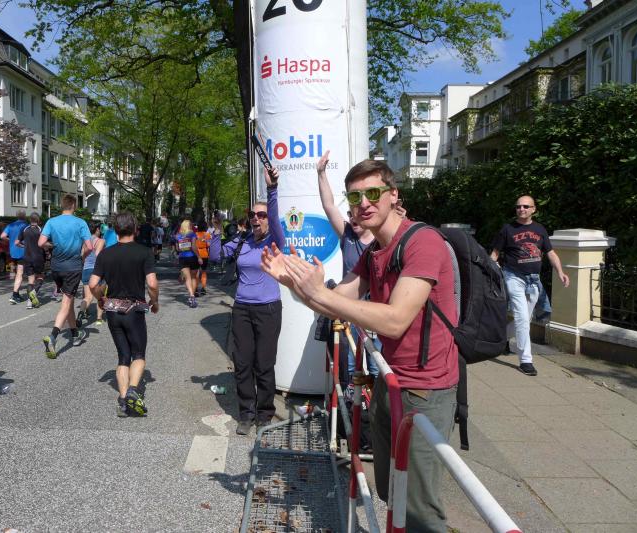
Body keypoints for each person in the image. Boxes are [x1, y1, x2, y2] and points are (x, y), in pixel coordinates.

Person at [262, 157, 458, 531]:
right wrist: (296, 284)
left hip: (426, 390)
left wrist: (320, 291)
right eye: (355, 197)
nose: (363, 203)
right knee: (389, 487)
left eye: (373, 193)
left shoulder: (423, 242)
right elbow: (335, 303)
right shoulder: (373, 251)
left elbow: (396, 321)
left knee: (419, 508)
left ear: (393, 195)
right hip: (390, 381)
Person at [224, 167, 285, 436]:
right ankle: (246, 413)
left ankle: (264, 413)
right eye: (252, 215)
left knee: (264, 363)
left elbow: (274, 216)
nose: (256, 219)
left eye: (261, 215)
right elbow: (215, 255)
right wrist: (214, 233)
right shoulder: (244, 241)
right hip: (242, 308)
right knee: (242, 362)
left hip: (268, 309)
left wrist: (272, 190)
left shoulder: (275, 241)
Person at [316, 150, 379, 390]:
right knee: (351, 363)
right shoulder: (347, 236)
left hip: (375, 308)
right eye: (349, 215)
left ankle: (374, 403)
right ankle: (353, 401)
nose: (353, 218)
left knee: (376, 363)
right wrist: (321, 173)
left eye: (356, 215)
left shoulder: (380, 238)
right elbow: (329, 205)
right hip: (350, 307)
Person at [89, 212, 159, 417]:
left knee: (123, 356)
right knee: (138, 354)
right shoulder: (144, 252)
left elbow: (93, 284)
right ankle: (132, 391)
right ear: (135, 229)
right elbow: (152, 284)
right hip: (134, 311)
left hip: (112, 311)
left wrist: (100, 299)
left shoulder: (106, 254)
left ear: (116, 230)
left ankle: (123, 402)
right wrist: (154, 301)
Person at [490, 195, 569, 376]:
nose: (522, 209)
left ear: (534, 209)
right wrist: (492, 269)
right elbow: (494, 254)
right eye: (518, 206)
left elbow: (551, 253)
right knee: (521, 317)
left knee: (525, 318)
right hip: (513, 277)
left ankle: (500, 339)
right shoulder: (507, 229)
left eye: (526, 206)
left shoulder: (540, 229)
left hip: (534, 280)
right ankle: (526, 360)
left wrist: (560, 272)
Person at [39, 195, 93, 358]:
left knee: (68, 299)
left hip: (56, 267)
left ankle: (75, 334)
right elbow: (90, 247)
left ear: (62, 205)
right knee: (67, 302)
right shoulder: (80, 223)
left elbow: (41, 243)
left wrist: (51, 245)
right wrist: (82, 257)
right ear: (74, 206)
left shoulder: (51, 222)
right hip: (73, 267)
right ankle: (53, 336)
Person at [77, 221, 106, 327]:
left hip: (86, 270)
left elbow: (82, 255)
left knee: (88, 297)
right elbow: (98, 254)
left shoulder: (86, 241)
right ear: (97, 229)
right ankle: (99, 318)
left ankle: (81, 314)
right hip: (97, 271)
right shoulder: (101, 241)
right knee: (100, 295)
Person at [16, 212, 45, 309]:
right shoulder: (41, 229)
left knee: (30, 280)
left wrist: (24, 246)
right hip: (38, 257)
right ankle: (34, 293)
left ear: (30, 220)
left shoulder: (25, 229)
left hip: (27, 257)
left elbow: (17, 242)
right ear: (38, 220)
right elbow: (43, 243)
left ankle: (29, 302)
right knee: (40, 277)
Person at [1, 210, 29, 303]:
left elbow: (2, 236)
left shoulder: (11, 225)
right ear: (25, 216)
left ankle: (17, 293)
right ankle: (15, 295)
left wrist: (11, 240)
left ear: (17, 216)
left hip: (12, 252)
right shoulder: (26, 226)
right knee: (20, 274)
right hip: (23, 252)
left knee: (16, 273)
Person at [174, 219, 201, 308]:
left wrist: (183, 247)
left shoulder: (178, 236)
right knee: (193, 277)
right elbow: (193, 247)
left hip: (183, 258)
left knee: (187, 278)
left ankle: (191, 295)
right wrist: (199, 257)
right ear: (189, 226)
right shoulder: (192, 234)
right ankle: (192, 296)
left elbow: (178, 249)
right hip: (192, 257)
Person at [194, 220, 211, 296]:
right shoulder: (207, 235)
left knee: (197, 272)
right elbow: (208, 244)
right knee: (203, 271)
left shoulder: (195, 234)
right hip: (204, 254)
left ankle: (196, 288)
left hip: (196, 254)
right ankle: (203, 288)